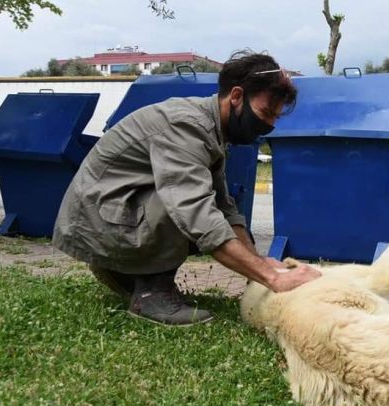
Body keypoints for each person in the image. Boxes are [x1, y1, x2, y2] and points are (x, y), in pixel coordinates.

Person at [53, 51, 322, 326]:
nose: (268, 125)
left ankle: (127, 273)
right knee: (187, 205)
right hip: (98, 222)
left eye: (275, 118)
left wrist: (262, 265)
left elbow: (224, 206)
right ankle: (150, 293)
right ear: (237, 96)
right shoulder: (187, 125)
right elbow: (196, 212)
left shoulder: (210, 127)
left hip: (113, 214)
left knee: (206, 204)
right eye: (265, 113)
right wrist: (273, 279)